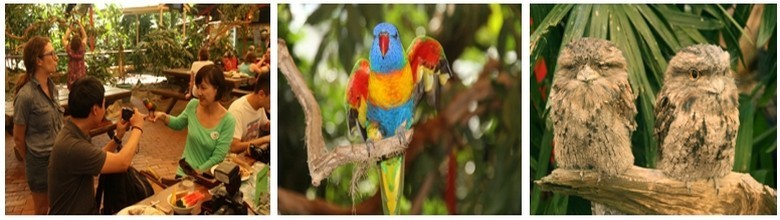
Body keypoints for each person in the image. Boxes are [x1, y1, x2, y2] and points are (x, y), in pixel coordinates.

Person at [48, 77, 146, 214]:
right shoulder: (72, 146)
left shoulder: (73, 131)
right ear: (95, 109)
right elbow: (123, 163)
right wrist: (138, 128)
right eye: (104, 105)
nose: (105, 109)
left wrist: (118, 137)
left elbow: (95, 157)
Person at [150, 64, 236, 177]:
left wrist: (196, 173)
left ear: (217, 89)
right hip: (183, 172)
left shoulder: (228, 120)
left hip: (205, 177)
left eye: (204, 88)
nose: (199, 92)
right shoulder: (193, 105)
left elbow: (218, 157)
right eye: (198, 87)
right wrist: (162, 116)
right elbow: (178, 123)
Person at [13, 36, 64, 215]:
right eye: (51, 54)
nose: (56, 58)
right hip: (39, 164)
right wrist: (32, 160)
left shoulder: (53, 88)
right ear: (38, 61)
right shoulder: (26, 96)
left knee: (59, 206)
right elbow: (18, 138)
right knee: (42, 210)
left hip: (58, 159)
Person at [228, 72, 270, 154]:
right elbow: (234, 147)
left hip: (252, 153)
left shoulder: (260, 106)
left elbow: (265, 125)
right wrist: (265, 139)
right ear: (261, 94)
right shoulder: (238, 110)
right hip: (237, 159)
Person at [63, 20, 88, 90]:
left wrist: (70, 29)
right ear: (80, 41)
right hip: (81, 75)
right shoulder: (82, 47)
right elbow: (85, 36)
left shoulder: (69, 48)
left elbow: (64, 39)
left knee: (72, 91)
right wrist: (80, 25)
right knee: (82, 90)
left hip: (72, 76)